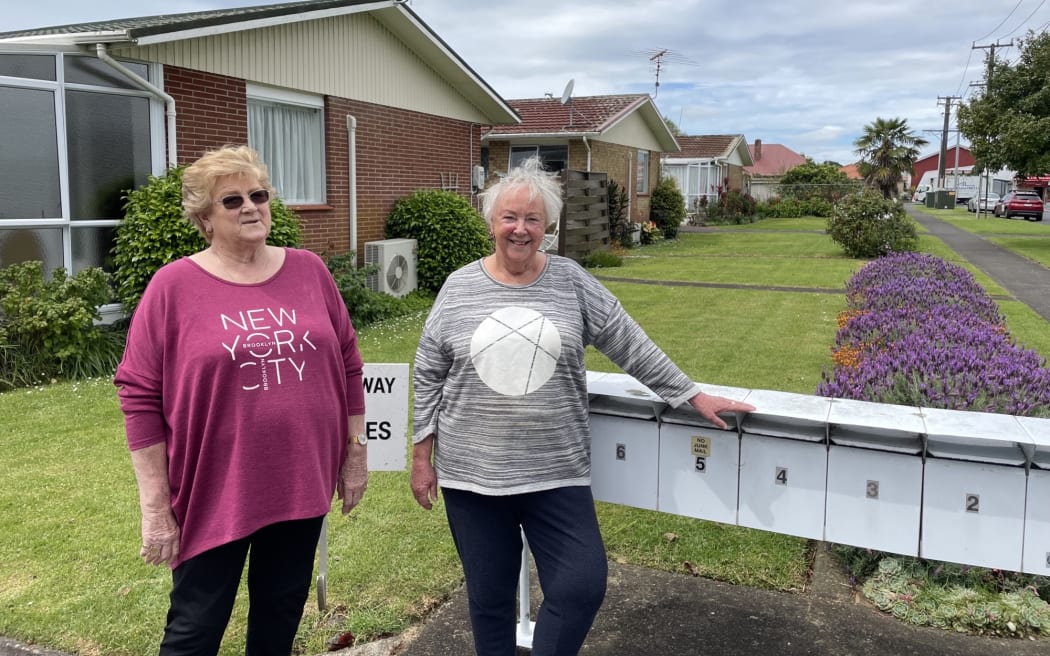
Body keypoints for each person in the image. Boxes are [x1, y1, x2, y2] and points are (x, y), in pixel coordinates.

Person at [410, 157, 755, 656]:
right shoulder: (459, 287)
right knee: (489, 601)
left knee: (580, 585)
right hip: (474, 475)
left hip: (556, 471)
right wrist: (422, 457)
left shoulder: (570, 281)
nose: (520, 229)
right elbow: (428, 370)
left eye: (532, 219)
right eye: (509, 217)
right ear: (491, 223)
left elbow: (628, 341)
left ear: (547, 226)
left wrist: (690, 394)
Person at [114, 145, 368, 656]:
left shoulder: (309, 270)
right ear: (205, 218)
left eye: (259, 195)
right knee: (195, 629)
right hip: (216, 487)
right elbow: (139, 394)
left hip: (299, 480)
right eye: (232, 200)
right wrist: (156, 508)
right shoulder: (173, 286)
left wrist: (355, 454)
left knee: (279, 617)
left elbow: (347, 361)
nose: (251, 207)